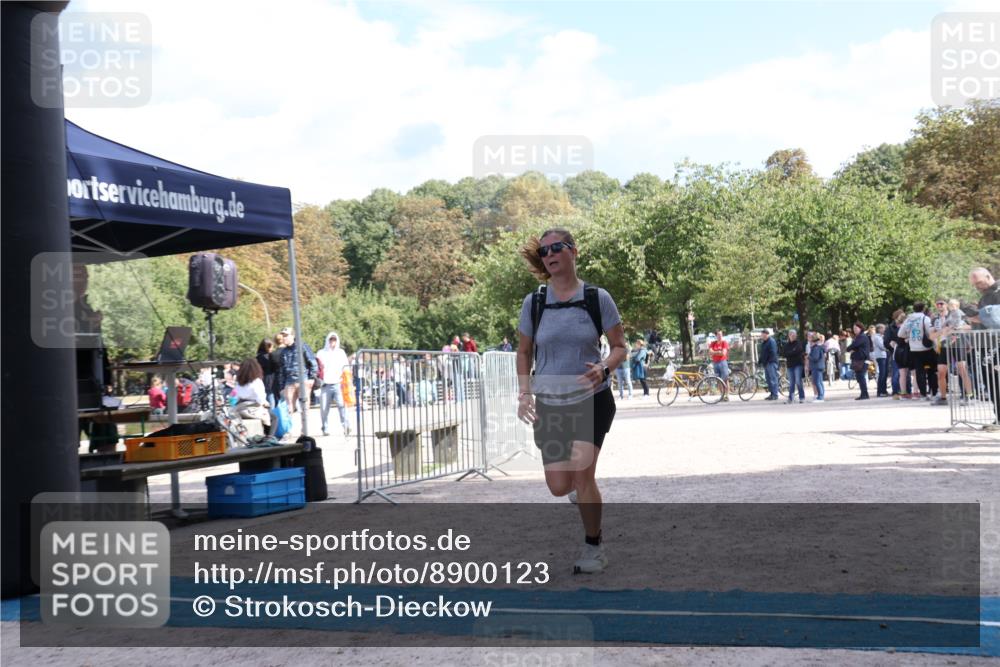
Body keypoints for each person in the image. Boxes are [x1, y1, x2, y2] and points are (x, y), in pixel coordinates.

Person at [516, 227, 626, 574]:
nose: (549, 254)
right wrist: (524, 392)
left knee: (581, 475)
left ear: (573, 252)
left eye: (556, 247)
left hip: (590, 399)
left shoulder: (597, 298)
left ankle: (594, 547)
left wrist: (605, 367)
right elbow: (524, 351)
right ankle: (582, 492)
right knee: (558, 486)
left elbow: (621, 347)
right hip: (550, 403)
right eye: (544, 250)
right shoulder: (534, 302)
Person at [316, 331, 351, 437]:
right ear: (328, 340)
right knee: (324, 408)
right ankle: (325, 428)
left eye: (334, 339)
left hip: (338, 383)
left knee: (342, 405)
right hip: (325, 384)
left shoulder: (341, 352)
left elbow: (346, 366)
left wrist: (346, 380)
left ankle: (346, 426)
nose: (332, 342)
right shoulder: (321, 353)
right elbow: (317, 367)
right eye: (331, 339)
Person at [279, 327, 319, 414]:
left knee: (304, 409)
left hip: (303, 380)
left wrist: (312, 378)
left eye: (286, 335)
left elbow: (312, 362)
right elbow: (282, 370)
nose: (284, 338)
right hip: (289, 382)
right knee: (288, 410)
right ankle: (290, 427)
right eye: (283, 336)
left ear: (293, 336)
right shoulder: (283, 352)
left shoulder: (302, 346)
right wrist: (282, 386)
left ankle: (305, 427)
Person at [900, 303, 934, 400]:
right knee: (931, 371)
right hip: (926, 348)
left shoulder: (908, 319)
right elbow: (930, 333)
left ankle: (923, 394)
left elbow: (900, 334)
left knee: (919, 372)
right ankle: (933, 392)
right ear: (923, 309)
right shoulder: (925, 319)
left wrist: (909, 337)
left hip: (914, 349)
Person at [232, 357, 273, 434]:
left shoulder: (238, 382)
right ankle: (269, 437)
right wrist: (265, 404)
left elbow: (233, 397)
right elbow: (260, 398)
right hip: (253, 409)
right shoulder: (257, 381)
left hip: (240, 410)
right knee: (274, 418)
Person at [847, 321, 871, 400]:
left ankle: (864, 394)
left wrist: (851, 349)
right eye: (854, 328)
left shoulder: (862, 337)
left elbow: (852, 346)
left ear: (860, 328)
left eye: (856, 328)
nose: (855, 330)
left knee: (861, 377)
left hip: (862, 360)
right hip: (860, 360)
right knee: (860, 377)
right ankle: (864, 394)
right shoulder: (859, 337)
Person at [783, 329, 806, 404]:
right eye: (790, 334)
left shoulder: (799, 343)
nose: (792, 336)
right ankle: (791, 398)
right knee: (791, 382)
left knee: (798, 381)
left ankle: (802, 397)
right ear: (789, 336)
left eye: (793, 334)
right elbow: (784, 353)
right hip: (790, 365)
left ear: (796, 335)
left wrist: (790, 353)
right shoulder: (786, 345)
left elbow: (798, 350)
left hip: (798, 364)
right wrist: (792, 352)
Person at [708, 329, 731, 401]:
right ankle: (722, 395)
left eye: (721, 334)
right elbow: (710, 352)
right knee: (718, 380)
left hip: (722, 362)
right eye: (718, 335)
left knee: (725, 379)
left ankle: (727, 395)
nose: (720, 336)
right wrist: (718, 352)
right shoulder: (713, 343)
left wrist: (714, 352)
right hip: (715, 362)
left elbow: (723, 353)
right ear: (716, 335)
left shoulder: (724, 343)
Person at [759, 328, 779, 400]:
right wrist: (760, 361)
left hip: (771, 363)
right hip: (766, 363)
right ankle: (772, 393)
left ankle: (775, 394)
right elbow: (762, 353)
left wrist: (768, 361)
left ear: (766, 334)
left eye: (762, 334)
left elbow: (773, 352)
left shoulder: (771, 341)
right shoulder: (764, 342)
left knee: (773, 379)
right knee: (768, 379)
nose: (761, 335)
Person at [807, 333, 826, 402]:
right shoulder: (820, 347)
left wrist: (808, 357)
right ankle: (821, 395)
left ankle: (820, 397)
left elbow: (815, 358)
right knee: (820, 382)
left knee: (817, 382)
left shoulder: (816, 348)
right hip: (819, 366)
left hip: (816, 367)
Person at [872, 324, 888, 397]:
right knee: (882, 374)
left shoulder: (880, 337)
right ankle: (880, 391)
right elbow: (882, 346)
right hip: (881, 356)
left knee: (884, 373)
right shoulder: (877, 337)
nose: (884, 330)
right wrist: (888, 348)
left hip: (883, 356)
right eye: (883, 328)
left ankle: (884, 390)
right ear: (879, 329)